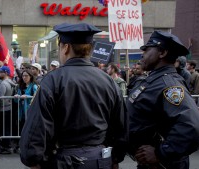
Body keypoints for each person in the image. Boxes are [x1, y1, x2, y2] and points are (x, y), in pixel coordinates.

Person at [20, 23, 128, 169]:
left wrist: (32, 159)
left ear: (66, 48)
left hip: (64, 159)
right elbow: (120, 125)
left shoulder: (53, 80)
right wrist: (115, 158)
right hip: (100, 159)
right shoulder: (108, 81)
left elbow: (37, 126)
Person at [126, 31, 199, 169]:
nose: (142, 54)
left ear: (162, 53)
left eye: (147, 49)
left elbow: (193, 128)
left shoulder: (169, 85)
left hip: (163, 164)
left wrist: (161, 152)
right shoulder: (154, 80)